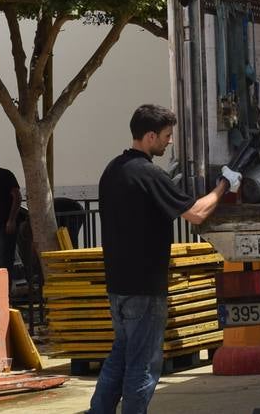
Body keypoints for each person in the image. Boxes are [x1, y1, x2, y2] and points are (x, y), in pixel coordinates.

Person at [89, 104, 242, 414]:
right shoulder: (149, 173)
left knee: (120, 356)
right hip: (145, 287)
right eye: (166, 136)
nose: (169, 142)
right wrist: (224, 185)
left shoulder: (112, 170)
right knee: (143, 364)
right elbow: (196, 214)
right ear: (149, 136)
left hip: (118, 284)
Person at [0, 157, 22, 273]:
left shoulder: (5, 174)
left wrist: (11, 220)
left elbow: (17, 196)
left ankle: (6, 289)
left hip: (4, 224)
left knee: (4, 259)